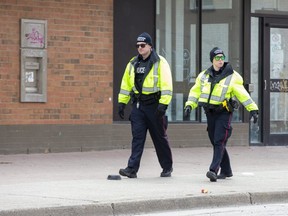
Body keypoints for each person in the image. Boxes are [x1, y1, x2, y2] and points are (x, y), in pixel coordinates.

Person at [184, 47, 259, 182]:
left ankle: (213, 170)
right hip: (209, 113)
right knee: (215, 141)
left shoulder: (232, 76)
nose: (220, 60)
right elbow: (195, 92)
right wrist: (189, 105)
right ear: (212, 60)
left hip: (224, 112)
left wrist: (253, 109)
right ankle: (227, 170)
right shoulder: (204, 76)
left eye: (222, 58)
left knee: (219, 140)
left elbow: (242, 95)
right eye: (217, 58)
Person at [118, 32, 173, 178]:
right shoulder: (133, 63)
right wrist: (122, 103)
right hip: (138, 106)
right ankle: (132, 169)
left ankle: (167, 167)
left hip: (155, 106)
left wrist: (163, 104)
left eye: (143, 45)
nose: (140, 48)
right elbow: (126, 84)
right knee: (137, 138)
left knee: (159, 138)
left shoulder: (160, 62)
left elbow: (167, 84)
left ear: (150, 46)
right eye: (138, 46)